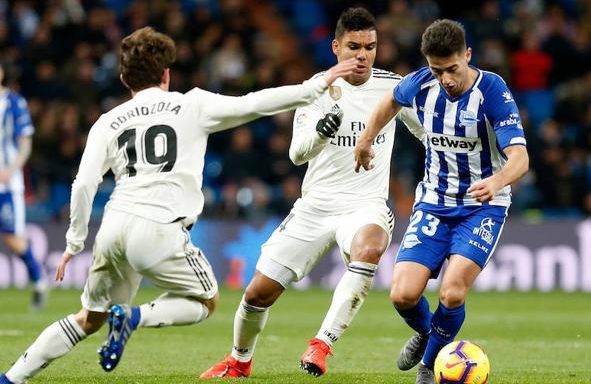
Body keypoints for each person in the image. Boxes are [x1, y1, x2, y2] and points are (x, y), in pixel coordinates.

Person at [0, 27, 357, 384]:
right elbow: (254, 102)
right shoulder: (192, 104)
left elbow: (83, 185)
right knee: (206, 301)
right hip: (159, 227)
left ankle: (12, 377)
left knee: (88, 318)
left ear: (125, 78)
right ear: (166, 74)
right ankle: (134, 317)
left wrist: (74, 243)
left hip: (113, 225)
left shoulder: (108, 121)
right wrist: (316, 85)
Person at [201, 8, 423, 379]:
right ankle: (239, 361)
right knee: (258, 294)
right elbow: (296, 154)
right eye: (354, 46)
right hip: (316, 206)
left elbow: (425, 132)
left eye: (370, 46)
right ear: (336, 47)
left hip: (365, 204)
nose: (362, 55)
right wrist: (322, 131)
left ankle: (322, 345)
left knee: (369, 247)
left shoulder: (392, 87)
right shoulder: (317, 90)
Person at [354, 19, 529, 384]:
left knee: (451, 292)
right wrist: (367, 138)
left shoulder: (492, 90)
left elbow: (520, 158)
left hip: (483, 207)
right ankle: (427, 332)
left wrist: (496, 181)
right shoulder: (421, 82)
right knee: (402, 294)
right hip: (434, 202)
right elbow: (389, 101)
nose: (446, 79)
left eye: (452, 69)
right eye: (438, 70)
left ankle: (428, 367)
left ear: (467, 55)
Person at [0, 63, 47, 309]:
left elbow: (25, 142)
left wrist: (11, 169)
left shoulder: (14, 102)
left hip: (6, 184)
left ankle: (39, 281)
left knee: (13, 239)